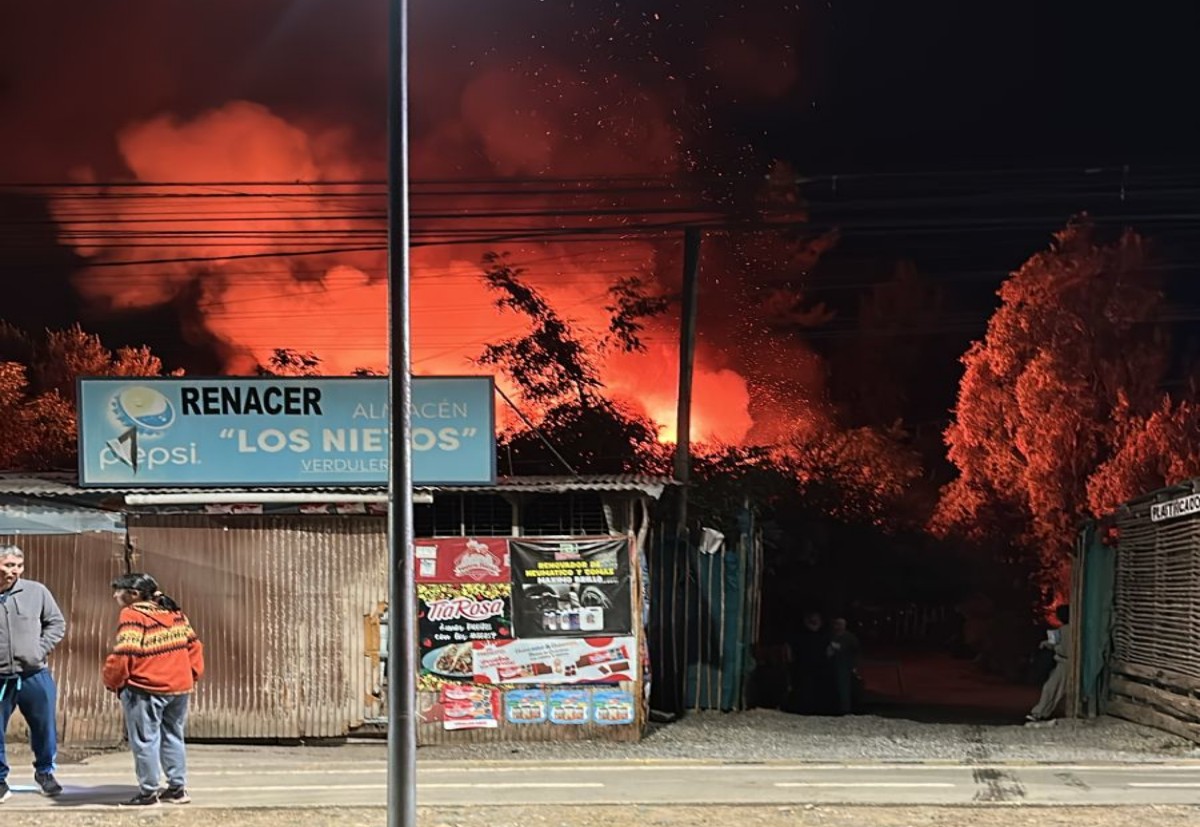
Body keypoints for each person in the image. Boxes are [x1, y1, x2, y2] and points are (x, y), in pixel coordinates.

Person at [103, 573, 204, 807]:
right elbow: (194, 645)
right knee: (173, 736)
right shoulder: (174, 612)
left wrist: (113, 680)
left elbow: (126, 651)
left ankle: (148, 793)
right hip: (179, 688)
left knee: (145, 740)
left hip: (146, 688)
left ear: (134, 595)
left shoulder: (132, 614)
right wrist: (191, 674)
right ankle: (177, 789)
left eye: (119, 591)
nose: (115, 596)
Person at [0, 544, 66, 803]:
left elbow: (56, 623)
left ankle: (45, 773)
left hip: (33, 675)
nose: (13, 571)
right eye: (7, 565)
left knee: (44, 727)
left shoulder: (36, 591)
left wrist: (38, 650)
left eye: (17, 566)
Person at [1027, 604, 1071, 723]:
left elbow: (1056, 646)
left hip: (1064, 664)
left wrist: (1047, 644)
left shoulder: (1063, 631)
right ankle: (1043, 712)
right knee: (1056, 689)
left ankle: (1039, 713)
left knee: (1050, 688)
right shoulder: (1064, 630)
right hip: (1064, 664)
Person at [786, 611, 831, 714]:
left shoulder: (824, 636)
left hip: (819, 667)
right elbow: (790, 649)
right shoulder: (799, 635)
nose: (814, 621)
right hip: (802, 666)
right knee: (803, 687)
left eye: (816, 619)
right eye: (812, 619)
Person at [827, 617, 861, 715]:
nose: (838, 626)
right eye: (836, 624)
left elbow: (855, 650)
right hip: (832, 665)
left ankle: (845, 709)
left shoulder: (849, 637)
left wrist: (854, 665)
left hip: (844, 666)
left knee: (844, 688)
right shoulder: (831, 636)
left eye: (840, 624)